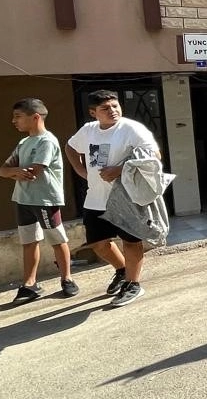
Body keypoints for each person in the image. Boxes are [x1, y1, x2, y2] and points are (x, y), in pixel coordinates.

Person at [65, 90, 161, 308]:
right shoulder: (89, 130)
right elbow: (70, 147)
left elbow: (154, 156)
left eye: (115, 106)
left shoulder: (131, 129)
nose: (113, 111)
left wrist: (120, 169)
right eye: (105, 108)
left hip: (126, 197)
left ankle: (133, 284)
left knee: (131, 241)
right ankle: (122, 270)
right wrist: (80, 170)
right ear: (93, 113)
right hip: (95, 197)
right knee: (98, 243)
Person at [0, 98, 76, 302]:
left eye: (18, 116)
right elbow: (2, 170)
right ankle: (29, 284)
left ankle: (67, 279)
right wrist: (16, 171)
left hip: (45, 200)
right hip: (23, 199)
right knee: (29, 241)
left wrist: (14, 172)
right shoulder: (23, 143)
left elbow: (33, 172)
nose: (14, 121)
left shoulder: (47, 141)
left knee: (57, 239)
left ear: (35, 117)